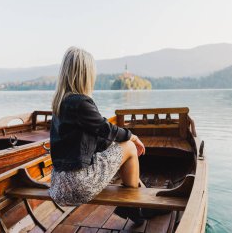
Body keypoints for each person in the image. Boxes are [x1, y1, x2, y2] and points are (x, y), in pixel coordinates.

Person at [49, 46, 165, 225]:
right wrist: (131, 136)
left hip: (58, 186)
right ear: (85, 74)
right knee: (130, 147)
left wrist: (113, 145)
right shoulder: (81, 103)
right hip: (78, 185)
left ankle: (138, 201)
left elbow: (95, 138)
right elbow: (106, 129)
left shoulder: (59, 104)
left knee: (120, 148)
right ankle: (133, 208)